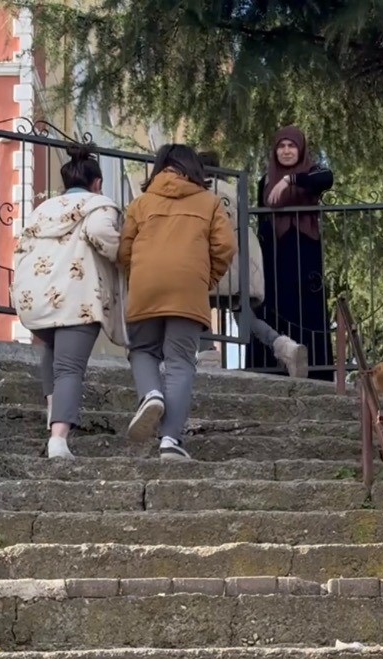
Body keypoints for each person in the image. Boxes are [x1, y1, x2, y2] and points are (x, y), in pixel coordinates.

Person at [118, 143, 236, 461]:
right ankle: (170, 441)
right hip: (188, 289)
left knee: (142, 349)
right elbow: (225, 247)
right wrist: (204, 280)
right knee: (181, 362)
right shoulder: (210, 203)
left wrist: (138, 276)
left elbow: (124, 250)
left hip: (146, 285)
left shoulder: (140, 203)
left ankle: (151, 393)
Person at [11, 145, 122, 460]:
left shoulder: (42, 210)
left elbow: (21, 250)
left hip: (37, 300)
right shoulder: (99, 205)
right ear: (97, 183)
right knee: (70, 367)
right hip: (78, 298)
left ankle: (53, 414)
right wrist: (122, 254)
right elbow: (102, 233)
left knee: (52, 354)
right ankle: (58, 439)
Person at [197, 150, 307, 377]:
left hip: (210, 262)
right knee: (245, 316)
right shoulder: (232, 192)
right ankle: (284, 346)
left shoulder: (200, 192)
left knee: (199, 306)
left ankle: (208, 354)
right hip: (239, 265)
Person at [255, 125, 334, 380]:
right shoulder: (265, 180)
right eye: (281, 146)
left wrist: (291, 180)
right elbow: (262, 218)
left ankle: (314, 370)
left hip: (304, 251)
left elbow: (327, 179)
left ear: (300, 150)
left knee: (307, 309)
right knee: (273, 306)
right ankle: (272, 367)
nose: (286, 151)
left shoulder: (312, 172)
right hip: (274, 254)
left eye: (292, 146)